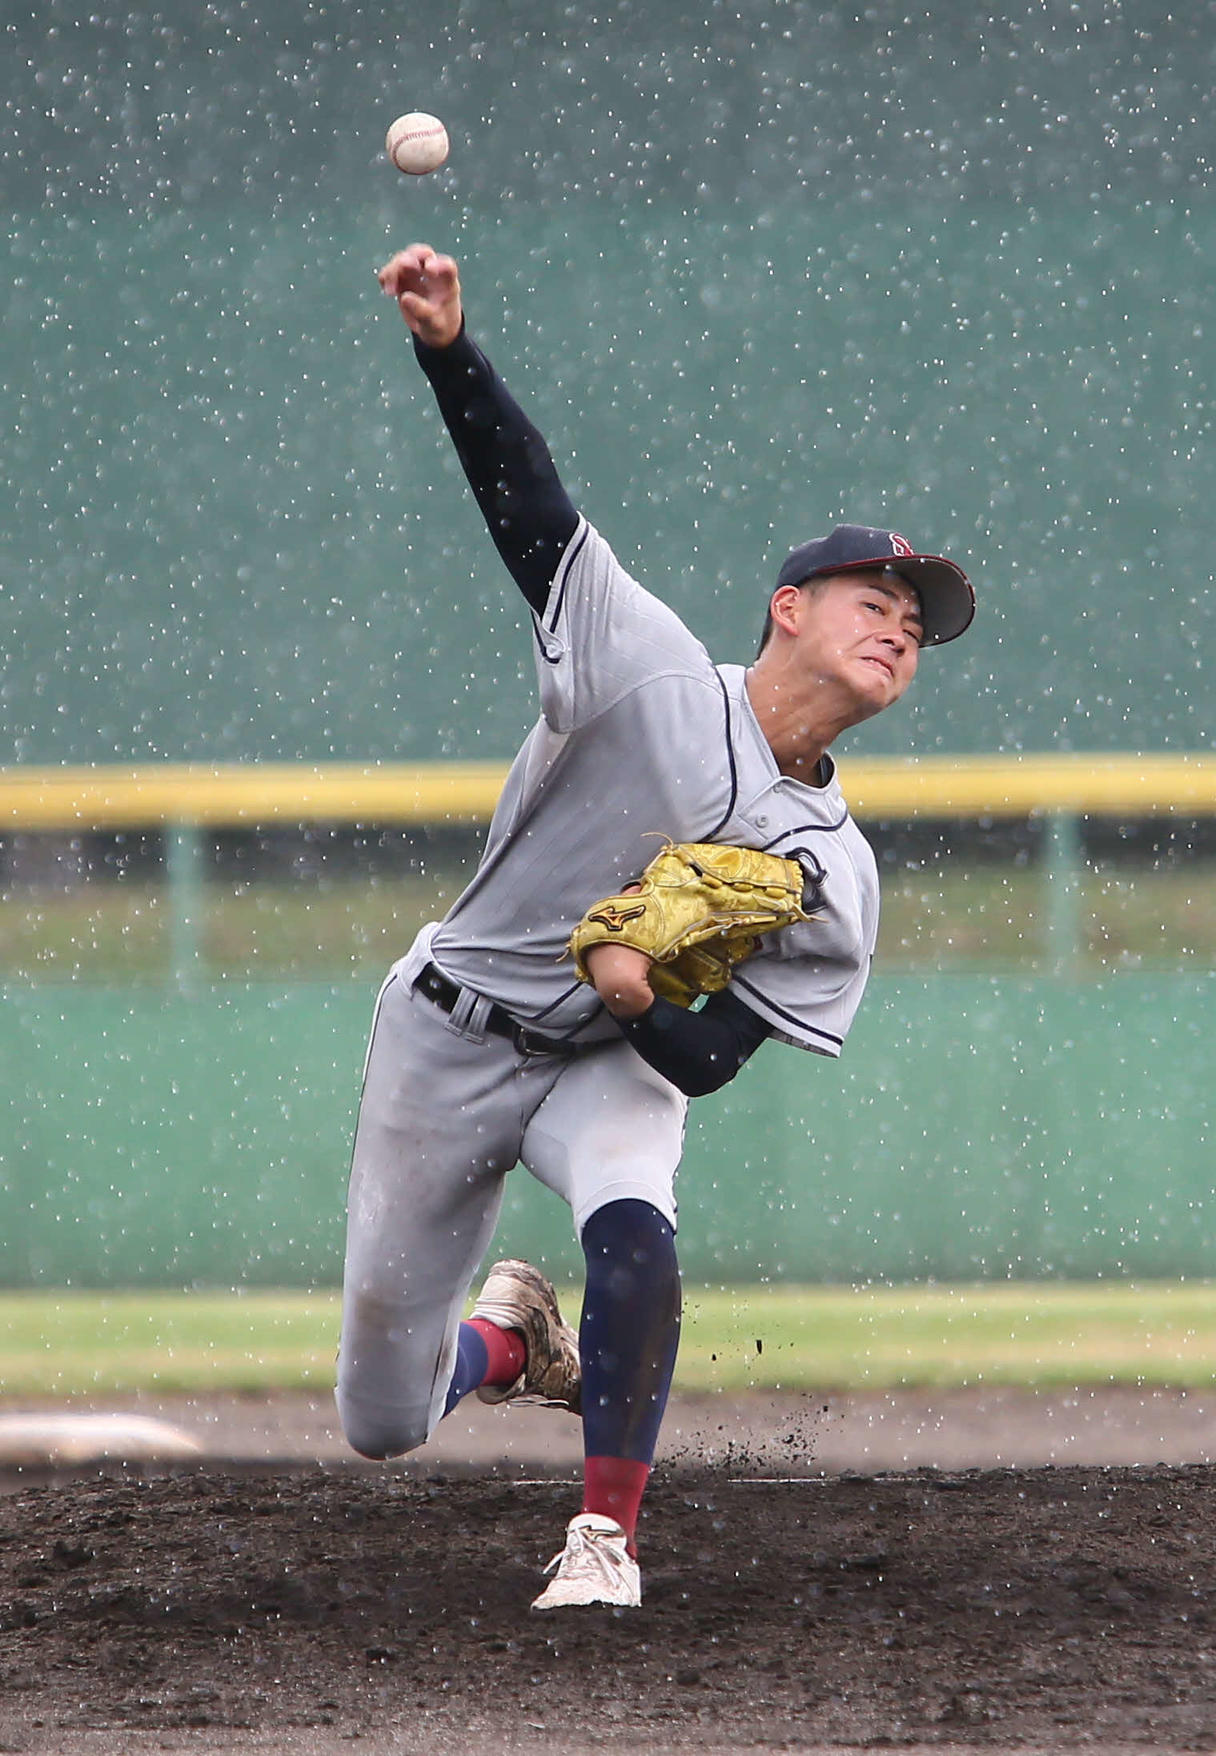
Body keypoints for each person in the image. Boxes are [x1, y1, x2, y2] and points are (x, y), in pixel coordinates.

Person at [335, 242, 975, 1611]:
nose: (901, 631)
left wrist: (634, 996)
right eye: (879, 602)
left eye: (918, 625)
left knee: (638, 1228)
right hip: (445, 1031)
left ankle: (605, 1540)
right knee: (382, 1420)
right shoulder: (650, 671)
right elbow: (530, 506)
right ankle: (505, 1350)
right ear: (789, 609)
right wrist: (449, 353)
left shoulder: (834, 871)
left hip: (606, 1054)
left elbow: (708, 1062)